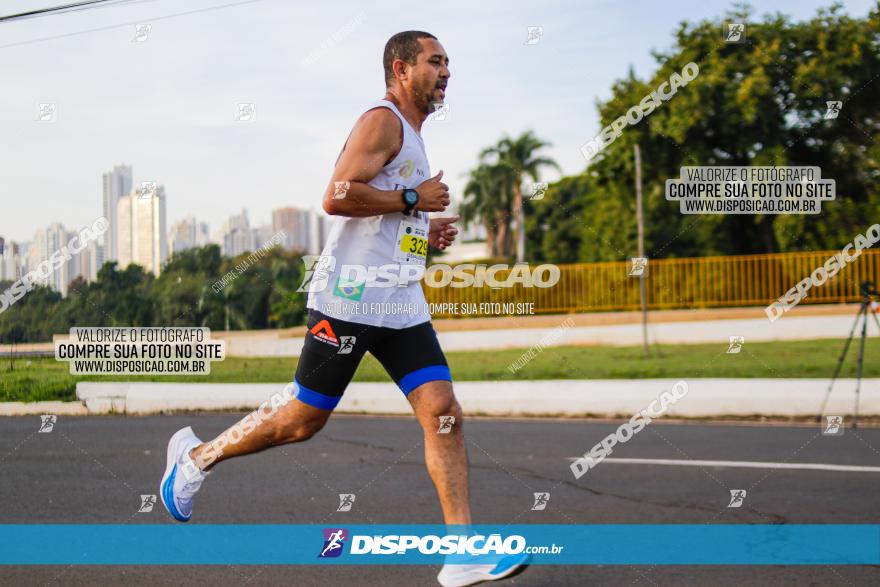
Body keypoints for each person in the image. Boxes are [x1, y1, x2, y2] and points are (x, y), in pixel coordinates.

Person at [160, 30, 528, 586]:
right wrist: (412, 200)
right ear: (402, 70)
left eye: (449, 62)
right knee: (302, 421)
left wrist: (422, 230)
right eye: (435, 62)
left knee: (443, 413)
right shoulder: (381, 121)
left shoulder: (413, 135)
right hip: (351, 300)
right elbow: (335, 196)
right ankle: (193, 462)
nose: (446, 71)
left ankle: (463, 554)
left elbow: (378, 219)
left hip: (400, 303)